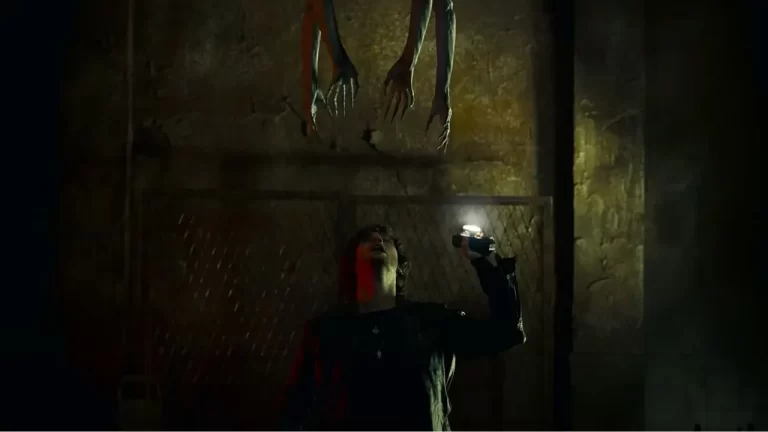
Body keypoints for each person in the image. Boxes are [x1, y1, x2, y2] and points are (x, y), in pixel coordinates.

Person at [276, 224, 526, 431]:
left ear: (399, 265)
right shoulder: (326, 331)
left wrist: (487, 263)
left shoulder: (431, 321)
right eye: (367, 239)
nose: (378, 240)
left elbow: (506, 332)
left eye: (386, 240)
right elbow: (296, 410)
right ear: (351, 263)